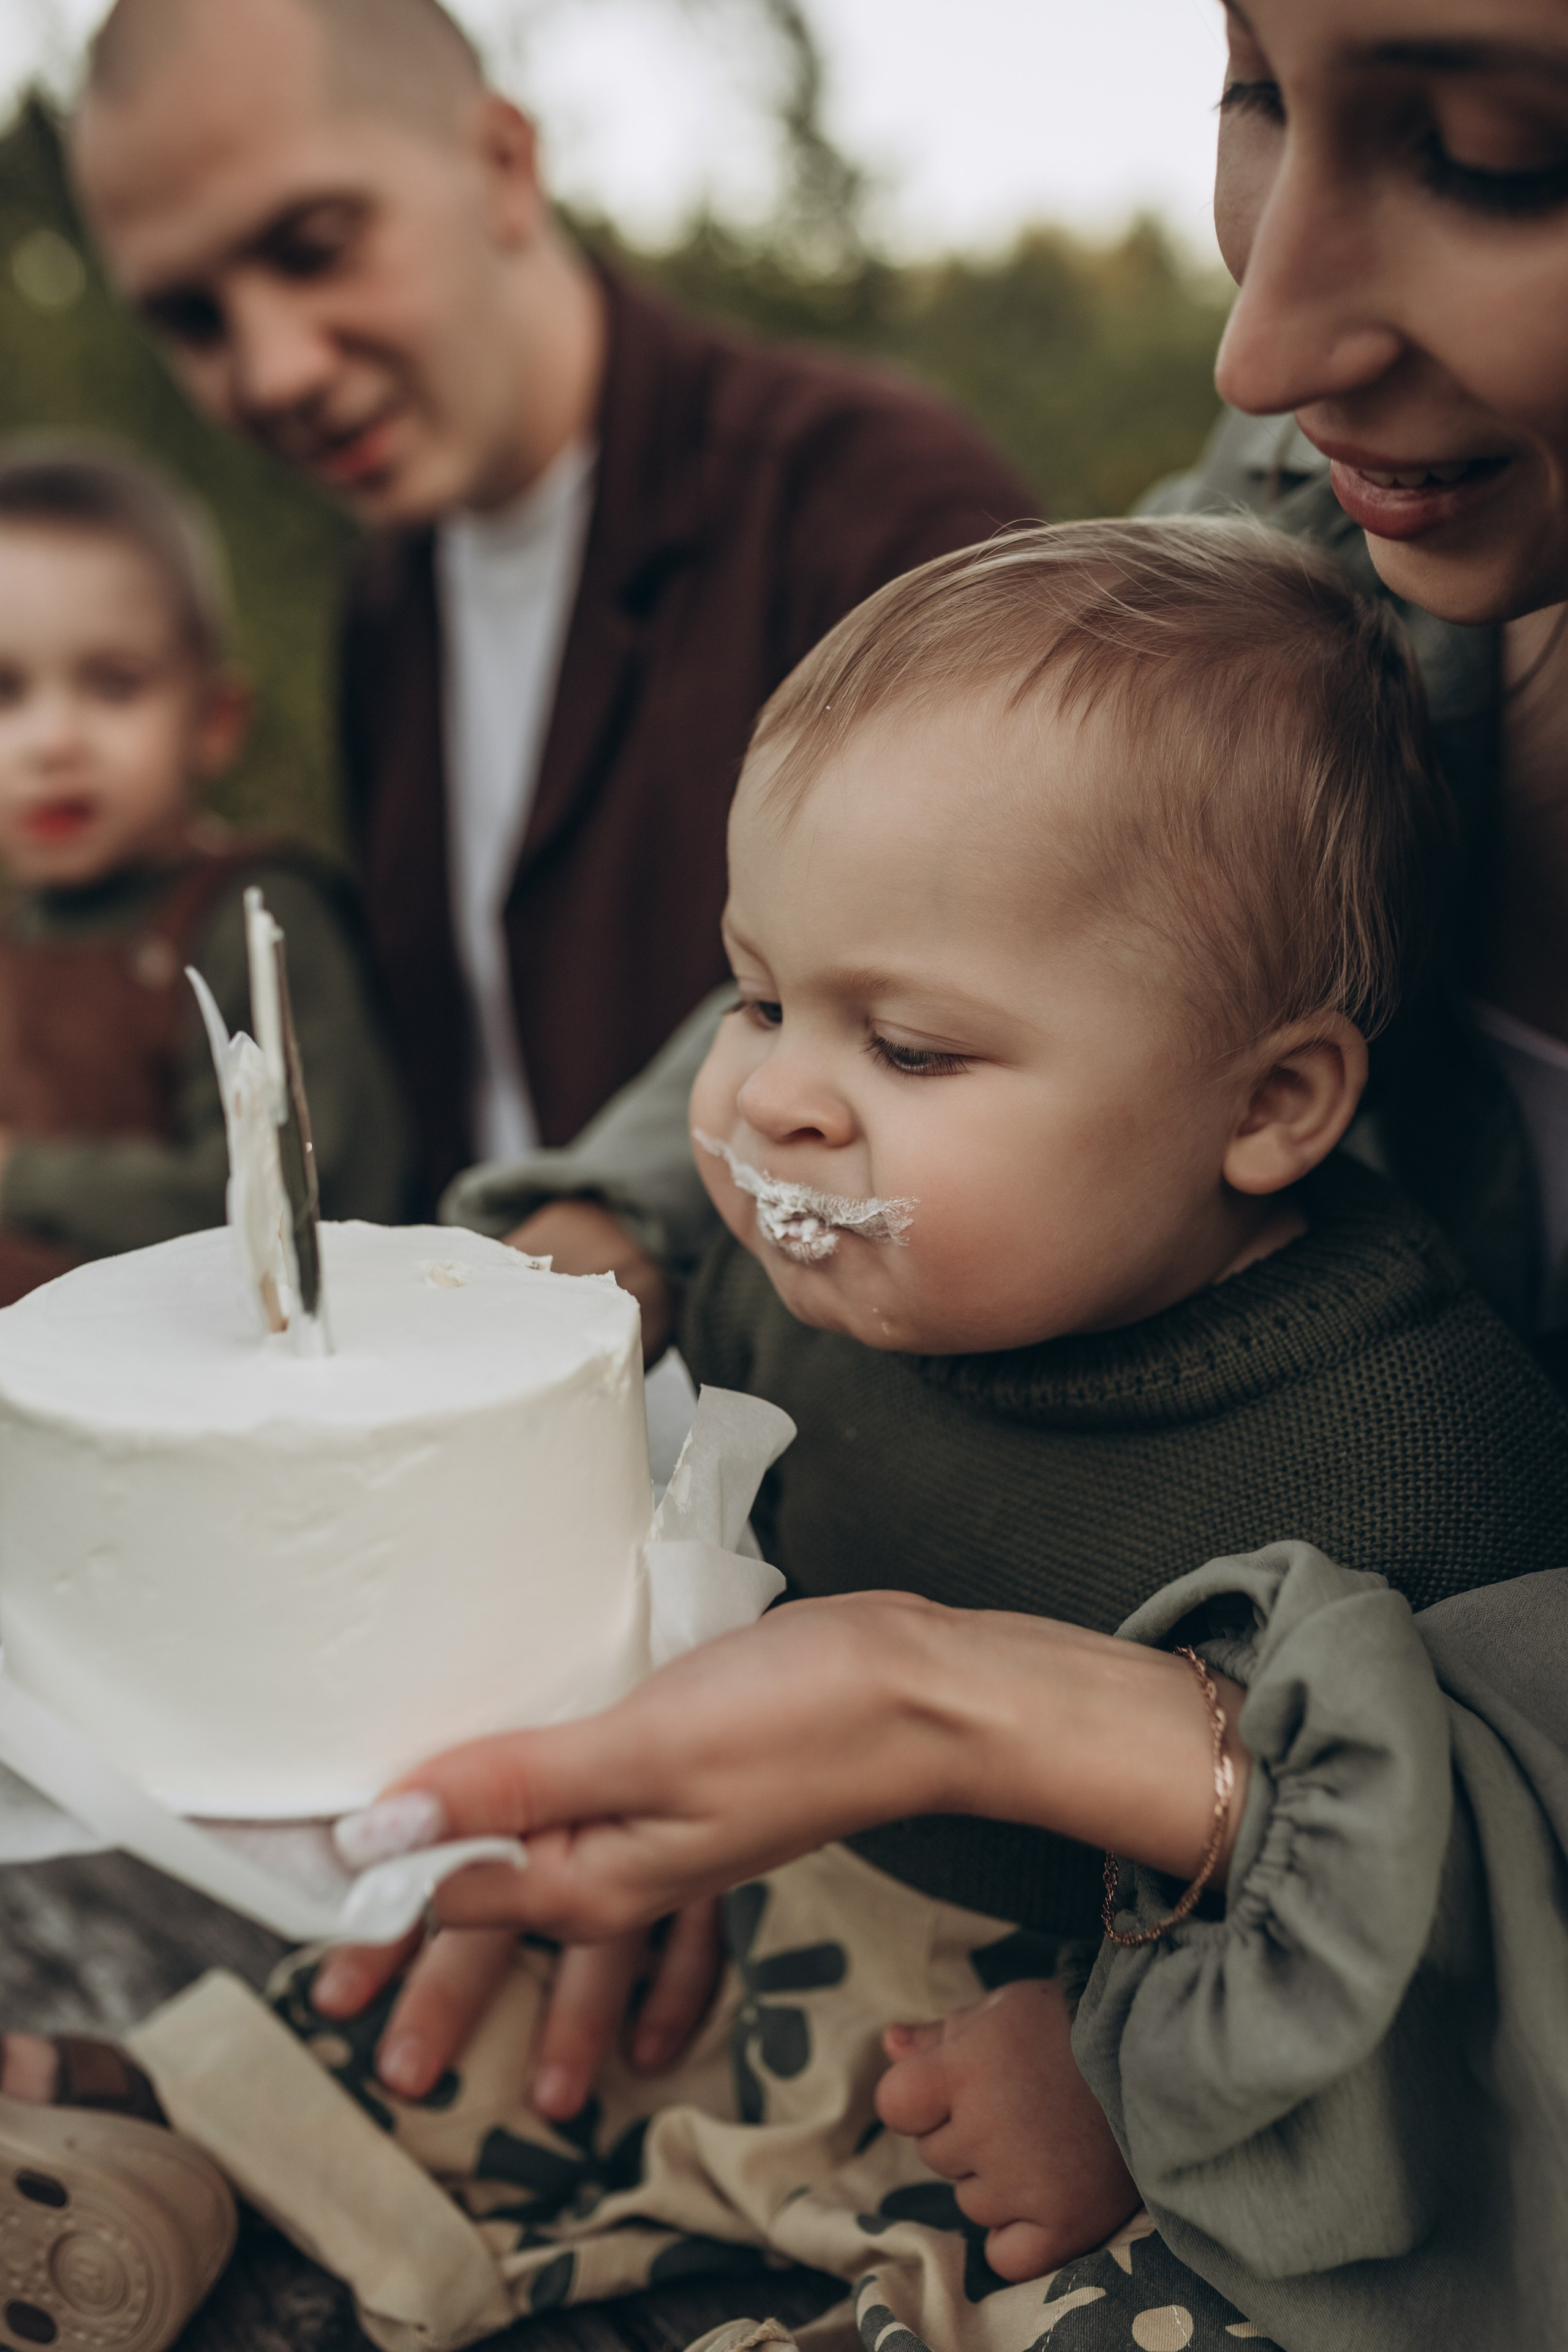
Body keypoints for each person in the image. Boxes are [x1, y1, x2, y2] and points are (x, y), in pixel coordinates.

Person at [11, 519, 1568, 2352]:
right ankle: (149, 2156)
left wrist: (1126, 2068)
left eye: (909, 1050)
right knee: (423, 2003)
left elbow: (1440, 1923)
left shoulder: (1418, 1450)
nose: (775, 1100)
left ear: (1273, 1102)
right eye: (758, 995)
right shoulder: (792, 1310)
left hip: (1067, 2073)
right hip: (731, 1947)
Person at [66, 0, 1036, 1213]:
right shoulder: (386, 605)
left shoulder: (863, 509)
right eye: (193, 320)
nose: (275, 371)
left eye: (314, 247)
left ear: (503, 165)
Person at [0, 439, 409, 1295]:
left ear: (214, 720)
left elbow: (301, 1192)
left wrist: (22, 1176)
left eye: (114, 685)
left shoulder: (251, 915)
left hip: (193, 1384)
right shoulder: (18, 937)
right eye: (5, 693)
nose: (53, 741)